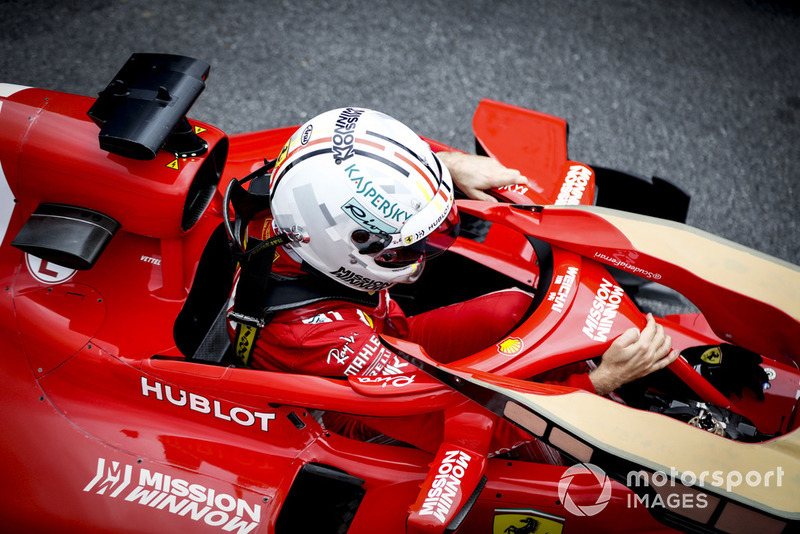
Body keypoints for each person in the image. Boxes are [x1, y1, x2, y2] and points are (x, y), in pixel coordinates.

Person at [229, 107, 677, 455]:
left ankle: (579, 389)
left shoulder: (294, 190)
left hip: (384, 333)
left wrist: (448, 167)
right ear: (347, 245)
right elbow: (456, 426)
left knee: (513, 312)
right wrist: (596, 389)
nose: (423, 253)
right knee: (547, 461)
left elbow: (359, 153)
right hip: (369, 422)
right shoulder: (318, 335)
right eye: (408, 245)